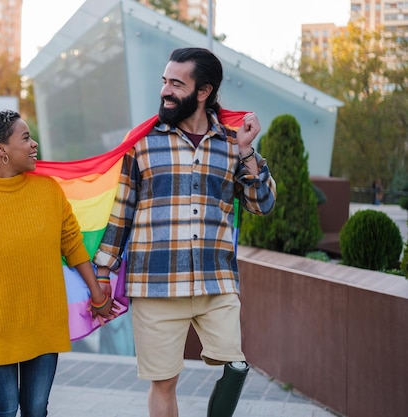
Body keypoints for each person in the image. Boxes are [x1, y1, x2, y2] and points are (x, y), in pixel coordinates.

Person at [93, 47, 277, 417]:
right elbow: (122, 211)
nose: (165, 91)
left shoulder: (231, 142)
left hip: (216, 281)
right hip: (155, 282)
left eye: (177, 83)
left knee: (236, 366)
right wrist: (102, 273)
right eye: (165, 81)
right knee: (163, 382)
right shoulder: (142, 141)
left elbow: (262, 204)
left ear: (204, 91)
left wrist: (247, 152)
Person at [0, 110, 114, 417]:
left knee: (36, 410)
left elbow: (72, 245)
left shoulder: (48, 190)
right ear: (1, 150)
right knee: (5, 410)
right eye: (25, 138)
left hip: (43, 320)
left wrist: (98, 295)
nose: (34, 144)